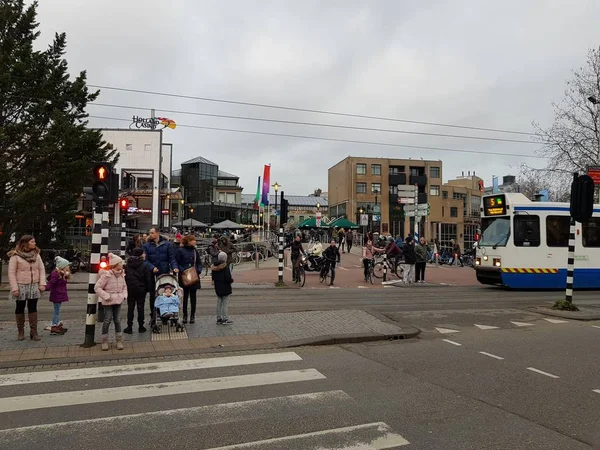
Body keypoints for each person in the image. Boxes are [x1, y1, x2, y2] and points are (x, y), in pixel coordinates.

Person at [8, 235, 46, 341]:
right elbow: (11, 273)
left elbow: (41, 269)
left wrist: (42, 283)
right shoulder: (15, 256)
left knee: (33, 307)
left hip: (34, 285)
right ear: (26, 243)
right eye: (32, 242)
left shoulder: (37, 255)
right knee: (20, 307)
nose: (34, 243)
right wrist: (14, 288)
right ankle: (21, 331)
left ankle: (34, 331)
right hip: (21, 285)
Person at [143, 226, 179, 323]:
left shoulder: (167, 244)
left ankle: (165, 314)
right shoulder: (146, 245)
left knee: (165, 293)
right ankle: (153, 314)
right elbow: (145, 260)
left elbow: (171, 258)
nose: (150, 235)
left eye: (152, 233)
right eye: (150, 233)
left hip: (164, 272)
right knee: (153, 295)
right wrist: (152, 267)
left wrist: (174, 267)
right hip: (152, 274)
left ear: (157, 233)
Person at [94, 253, 128, 351]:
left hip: (118, 300)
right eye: (120, 263)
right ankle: (104, 341)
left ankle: (119, 340)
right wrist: (106, 296)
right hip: (108, 301)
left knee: (117, 320)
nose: (122, 264)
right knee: (107, 319)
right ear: (115, 264)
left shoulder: (122, 275)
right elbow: (97, 287)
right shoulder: (107, 275)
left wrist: (124, 296)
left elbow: (124, 286)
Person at [124, 248, 152, 334]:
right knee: (140, 307)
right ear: (140, 255)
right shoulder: (144, 265)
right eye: (143, 253)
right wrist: (149, 289)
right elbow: (148, 278)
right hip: (141, 289)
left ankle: (129, 327)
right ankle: (141, 326)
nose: (145, 255)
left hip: (131, 288)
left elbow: (125, 276)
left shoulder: (128, 264)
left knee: (130, 307)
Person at [175, 235, 203, 324]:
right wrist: (183, 270)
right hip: (184, 276)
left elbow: (199, 262)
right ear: (188, 241)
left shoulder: (195, 250)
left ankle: (192, 316)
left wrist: (198, 270)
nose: (195, 241)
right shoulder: (180, 250)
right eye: (193, 240)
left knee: (193, 297)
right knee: (185, 297)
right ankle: (185, 315)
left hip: (194, 275)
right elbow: (177, 262)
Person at [45, 256, 71, 335]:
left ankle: (56, 324)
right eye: (67, 265)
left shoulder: (61, 273)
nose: (68, 267)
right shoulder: (56, 274)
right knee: (56, 311)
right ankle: (54, 325)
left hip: (59, 294)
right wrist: (45, 288)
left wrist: (65, 275)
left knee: (57, 310)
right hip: (57, 294)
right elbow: (51, 283)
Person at [212, 251, 234, 325]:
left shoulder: (214, 267)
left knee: (219, 303)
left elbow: (213, 278)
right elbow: (228, 278)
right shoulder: (225, 267)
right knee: (225, 303)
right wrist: (231, 280)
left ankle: (218, 318)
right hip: (225, 287)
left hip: (218, 287)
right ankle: (225, 318)